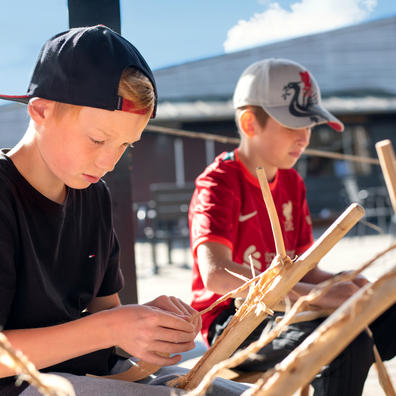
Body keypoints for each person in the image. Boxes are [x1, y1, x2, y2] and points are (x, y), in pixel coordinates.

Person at [0, 26, 250, 396]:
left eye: (125, 145)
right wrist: (109, 329)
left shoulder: (93, 194)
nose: (109, 160)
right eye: (98, 139)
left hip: (96, 373)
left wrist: (144, 324)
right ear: (41, 111)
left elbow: (104, 311)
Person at [188, 58, 396, 396]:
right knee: (342, 338)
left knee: (382, 307)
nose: (304, 137)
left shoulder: (291, 181)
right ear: (250, 122)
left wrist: (347, 283)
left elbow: (303, 268)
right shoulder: (218, 182)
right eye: (291, 124)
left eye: (309, 124)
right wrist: (315, 296)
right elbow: (217, 275)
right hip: (233, 323)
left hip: (290, 305)